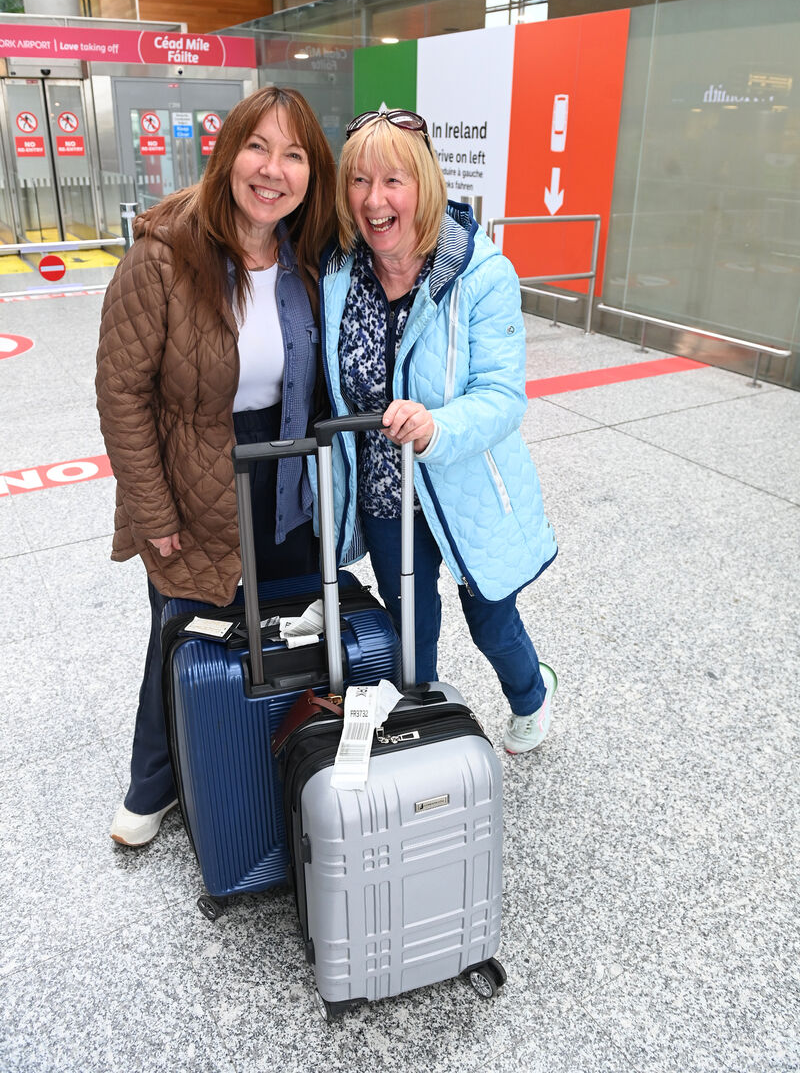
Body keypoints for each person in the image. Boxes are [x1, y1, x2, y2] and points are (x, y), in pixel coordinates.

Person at [96, 86, 336, 845]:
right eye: (258, 148)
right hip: (193, 474)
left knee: (282, 631)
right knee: (184, 634)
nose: (273, 170)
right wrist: (154, 514)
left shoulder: (310, 259)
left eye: (293, 154)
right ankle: (155, 782)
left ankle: (259, 764)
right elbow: (121, 392)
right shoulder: (161, 257)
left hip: (286, 474)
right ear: (227, 155)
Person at [319, 107, 558, 754]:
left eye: (392, 180)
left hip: (463, 484)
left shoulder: (480, 275)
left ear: (423, 184)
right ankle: (418, 731)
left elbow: (503, 397)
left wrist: (435, 427)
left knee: (491, 619)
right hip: (387, 491)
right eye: (359, 182)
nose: (374, 200)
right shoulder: (340, 272)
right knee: (411, 626)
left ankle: (532, 695)